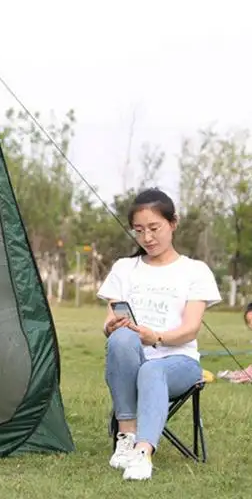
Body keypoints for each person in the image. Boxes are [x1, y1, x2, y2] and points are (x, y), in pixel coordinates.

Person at [97, 188, 221, 481]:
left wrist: (157, 338)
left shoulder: (195, 270)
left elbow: (191, 328)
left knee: (153, 368)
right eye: (139, 231)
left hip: (179, 362)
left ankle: (143, 454)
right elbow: (109, 322)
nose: (147, 238)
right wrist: (111, 327)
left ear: (173, 223)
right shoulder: (124, 268)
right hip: (133, 362)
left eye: (154, 228)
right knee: (121, 337)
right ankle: (125, 438)